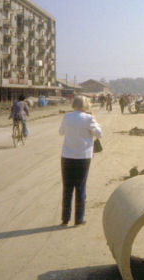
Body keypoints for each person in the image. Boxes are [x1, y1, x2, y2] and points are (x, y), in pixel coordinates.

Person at [58, 96, 102, 226]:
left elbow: (61, 132)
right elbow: (99, 134)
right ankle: (79, 218)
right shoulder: (89, 118)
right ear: (85, 105)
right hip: (83, 157)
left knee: (67, 188)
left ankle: (65, 218)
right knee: (80, 188)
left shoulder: (67, 117)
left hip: (67, 155)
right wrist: (95, 120)